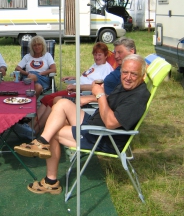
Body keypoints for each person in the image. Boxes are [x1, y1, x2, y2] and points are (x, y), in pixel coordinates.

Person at [14, 54, 150, 194]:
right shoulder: (127, 87)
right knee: (62, 103)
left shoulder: (137, 98)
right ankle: (42, 142)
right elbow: (113, 99)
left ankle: (51, 182)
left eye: (133, 74)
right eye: (125, 72)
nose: (128, 77)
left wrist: (100, 95)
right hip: (95, 123)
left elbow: (110, 123)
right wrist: (90, 97)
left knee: (54, 131)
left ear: (142, 75)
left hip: (102, 136)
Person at [33, 37, 136, 135]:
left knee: (54, 100)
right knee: (46, 98)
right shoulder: (96, 65)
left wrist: (78, 87)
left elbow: (99, 87)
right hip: (77, 89)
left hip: (82, 93)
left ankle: (37, 130)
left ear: (105, 55)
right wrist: (74, 78)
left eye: (99, 55)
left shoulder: (109, 70)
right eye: (95, 54)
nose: (97, 57)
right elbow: (87, 77)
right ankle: (33, 126)